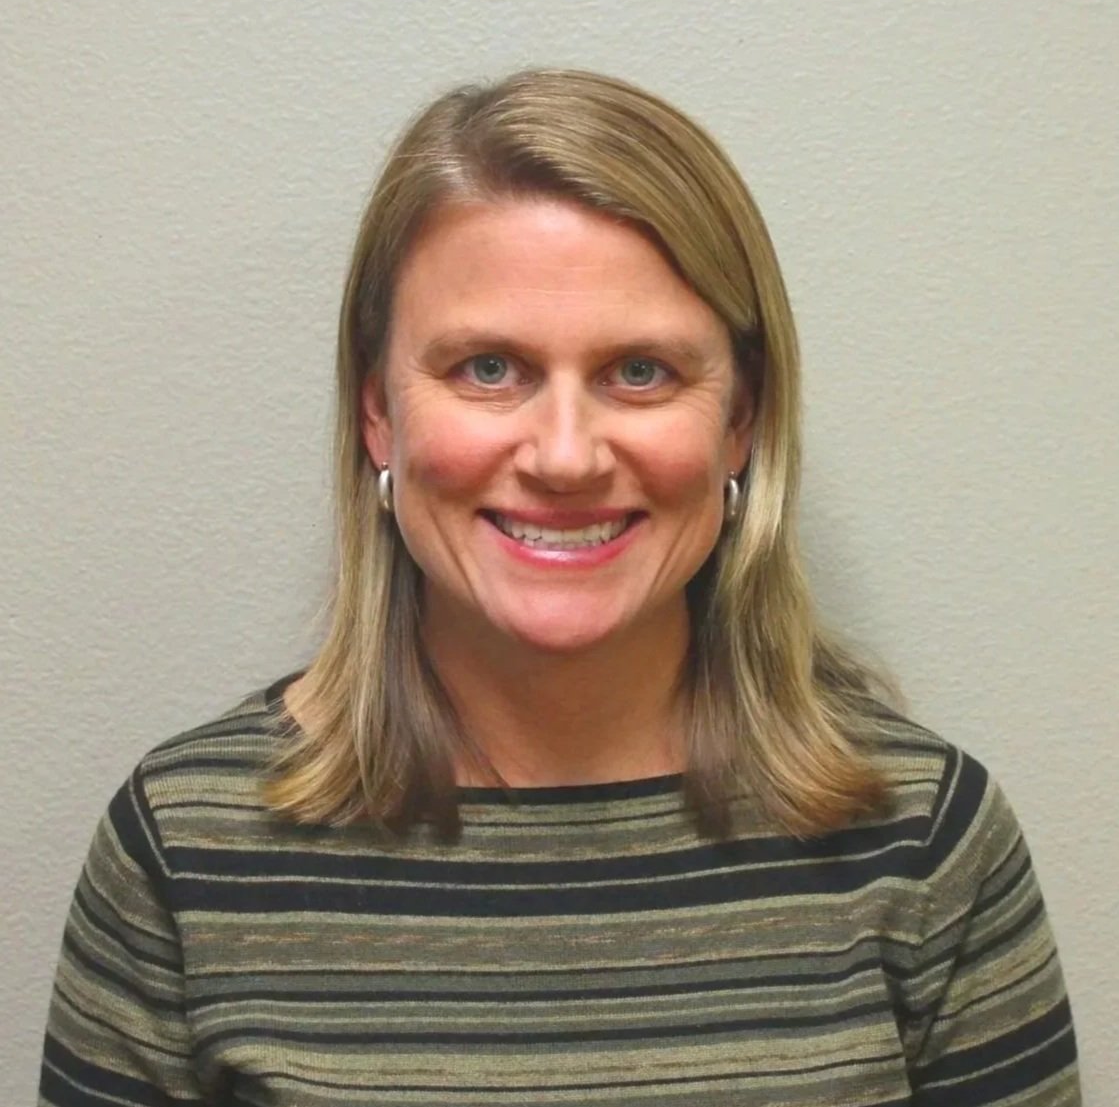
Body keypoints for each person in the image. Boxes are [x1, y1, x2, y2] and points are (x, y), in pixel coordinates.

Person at [39, 68, 1080, 1106]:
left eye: (641, 372)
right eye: (489, 369)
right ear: (377, 416)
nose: (567, 455)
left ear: (740, 422)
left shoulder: (924, 844)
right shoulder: (188, 852)